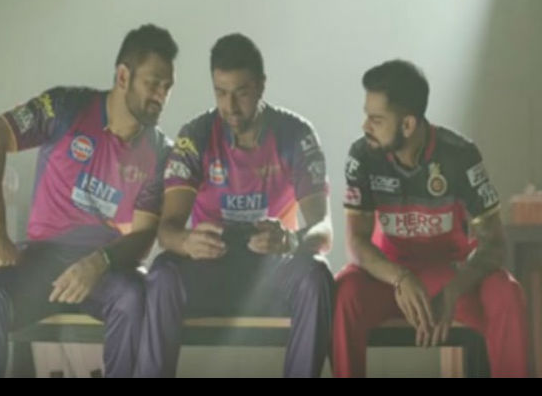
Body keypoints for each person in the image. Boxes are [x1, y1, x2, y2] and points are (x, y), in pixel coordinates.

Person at [0, 23, 178, 377]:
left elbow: (143, 236)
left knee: (134, 296)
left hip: (108, 270)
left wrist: (99, 262)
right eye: (153, 83)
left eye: (167, 87)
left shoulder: (161, 152)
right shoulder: (65, 106)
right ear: (123, 76)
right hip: (41, 260)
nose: (160, 96)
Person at [135, 33, 334, 378]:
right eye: (220, 92)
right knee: (163, 272)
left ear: (261, 86)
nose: (230, 106)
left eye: (241, 92)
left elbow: (324, 228)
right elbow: (167, 230)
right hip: (211, 263)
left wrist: (290, 240)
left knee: (316, 275)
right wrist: (187, 242)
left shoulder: (296, 134)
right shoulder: (196, 135)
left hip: (271, 268)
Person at [333, 59, 528, 377]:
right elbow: (356, 241)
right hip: (390, 279)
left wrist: (454, 289)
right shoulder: (363, 155)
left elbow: (494, 244)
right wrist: (400, 277)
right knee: (344, 291)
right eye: (367, 116)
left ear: (408, 125)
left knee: (507, 292)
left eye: (376, 119)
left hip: (449, 279)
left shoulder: (460, 154)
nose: (365, 126)